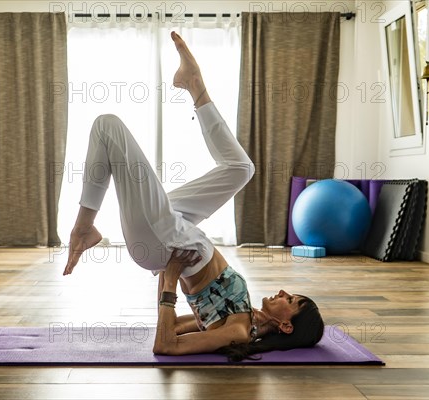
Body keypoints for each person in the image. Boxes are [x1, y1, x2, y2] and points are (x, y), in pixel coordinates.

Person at [64, 31, 324, 361]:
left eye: (292, 301)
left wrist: (169, 277)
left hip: (164, 242)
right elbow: (174, 327)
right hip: (176, 231)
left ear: (286, 326)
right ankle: (194, 84)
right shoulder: (248, 320)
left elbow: (165, 345)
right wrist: (170, 283)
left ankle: (84, 227)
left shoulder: (239, 331)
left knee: (107, 126)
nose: (285, 293)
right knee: (241, 168)